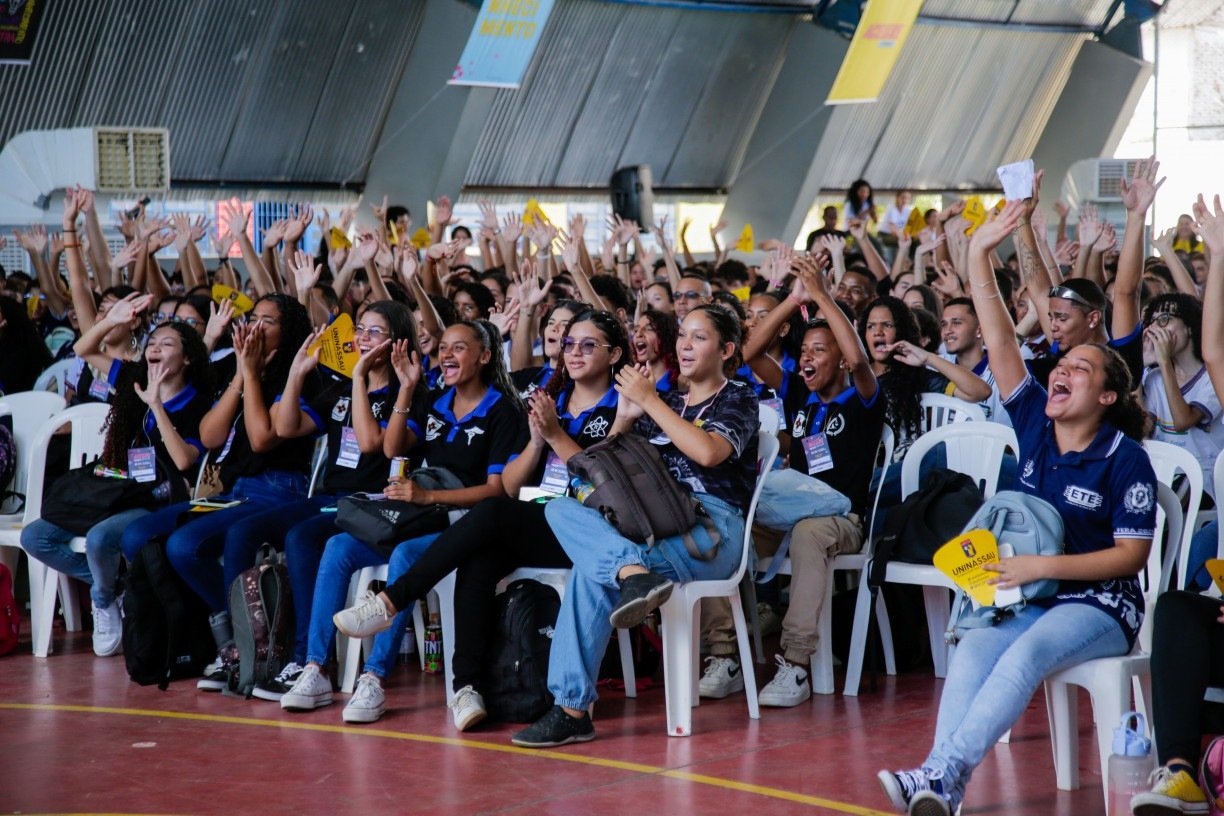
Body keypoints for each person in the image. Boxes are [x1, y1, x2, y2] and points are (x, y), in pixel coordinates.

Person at [878, 199, 1157, 816]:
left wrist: (1039, 570)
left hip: (1098, 604)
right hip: (1032, 593)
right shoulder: (1032, 417)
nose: (1063, 368)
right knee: (975, 644)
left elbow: (1130, 556)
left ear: (1107, 395)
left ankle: (943, 774)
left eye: (1080, 367)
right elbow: (1001, 334)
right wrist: (979, 250)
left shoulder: (1125, 457)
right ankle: (938, 779)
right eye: (1062, 363)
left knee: (1025, 654)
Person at [332, 309, 630, 731]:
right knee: (479, 558)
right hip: (539, 515)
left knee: (488, 512)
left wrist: (555, 434)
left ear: (615, 352)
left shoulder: (623, 403)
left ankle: (391, 600)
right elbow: (511, 485)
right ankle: (466, 688)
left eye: (588, 345)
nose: (575, 352)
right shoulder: (555, 399)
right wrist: (536, 439)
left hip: (588, 528)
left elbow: (603, 480)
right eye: (569, 344)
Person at [509, 304, 759, 748]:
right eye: (683, 334)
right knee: (558, 509)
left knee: (591, 572)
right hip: (652, 521)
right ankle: (632, 576)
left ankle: (571, 710)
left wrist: (650, 401)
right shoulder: (663, 400)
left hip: (711, 528)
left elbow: (707, 454)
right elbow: (599, 472)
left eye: (699, 338)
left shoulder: (738, 396)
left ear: (727, 350)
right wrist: (625, 418)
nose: (685, 344)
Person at [279, 320, 527, 723]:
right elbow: (393, 448)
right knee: (338, 546)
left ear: (484, 357)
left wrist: (430, 496)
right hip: (417, 512)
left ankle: (374, 677)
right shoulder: (436, 401)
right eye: (443, 347)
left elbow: (497, 490)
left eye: (459, 348)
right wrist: (408, 388)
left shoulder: (502, 410)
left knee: (408, 555)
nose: (446, 354)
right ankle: (316, 668)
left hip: (462, 519)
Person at [214, 300, 425, 700]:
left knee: (302, 538)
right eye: (360, 329)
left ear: (396, 341)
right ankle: (245, 651)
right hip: (332, 498)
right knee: (245, 530)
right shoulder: (341, 390)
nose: (362, 338)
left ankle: (308, 661)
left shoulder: (408, 391)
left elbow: (370, 443)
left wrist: (360, 376)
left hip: (374, 503)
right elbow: (286, 425)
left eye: (374, 332)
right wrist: (296, 374)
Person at [703, 255, 883, 705]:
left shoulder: (862, 399)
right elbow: (746, 354)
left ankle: (796, 664)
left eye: (819, 351)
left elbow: (860, 358)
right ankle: (725, 653)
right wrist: (794, 299)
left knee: (809, 533)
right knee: (719, 526)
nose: (807, 358)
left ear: (840, 359)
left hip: (841, 520)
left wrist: (822, 294)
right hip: (787, 509)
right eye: (804, 352)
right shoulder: (799, 393)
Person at [117, 294, 316, 688]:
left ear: (287, 331)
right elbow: (210, 436)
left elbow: (261, 440)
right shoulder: (241, 367)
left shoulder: (299, 373)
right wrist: (242, 375)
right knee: (136, 536)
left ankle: (241, 643)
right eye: (253, 318)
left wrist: (254, 376)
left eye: (268, 321)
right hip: (234, 490)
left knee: (185, 546)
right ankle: (221, 632)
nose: (256, 326)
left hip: (278, 489)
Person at [21, 301, 211, 656]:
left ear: (187, 359)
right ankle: (114, 587)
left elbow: (185, 460)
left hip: (154, 499)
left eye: (167, 344)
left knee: (98, 540)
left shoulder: (197, 404)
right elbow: (84, 349)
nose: (155, 347)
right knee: (35, 537)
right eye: (153, 342)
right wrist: (110, 321)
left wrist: (155, 404)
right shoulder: (132, 378)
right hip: (111, 491)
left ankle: (103, 599)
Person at [632, 309, 681, 393]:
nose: (638, 334)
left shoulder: (681, 384)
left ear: (665, 337)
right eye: (636, 330)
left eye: (649, 329)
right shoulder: (633, 383)